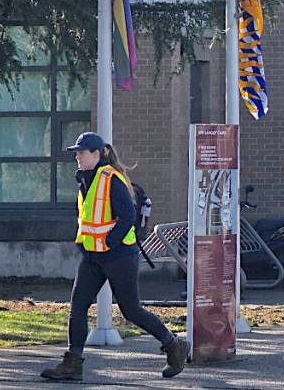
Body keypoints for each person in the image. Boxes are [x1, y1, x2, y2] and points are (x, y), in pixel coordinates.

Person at [41, 132, 190, 381]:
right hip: (93, 256)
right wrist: (86, 246)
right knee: (77, 307)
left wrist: (109, 242)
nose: (77, 156)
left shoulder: (111, 178)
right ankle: (73, 363)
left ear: (97, 154)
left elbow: (128, 216)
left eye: (81, 151)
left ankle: (174, 345)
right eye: (76, 152)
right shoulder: (85, 179)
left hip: (119, 255)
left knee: (131, 310)